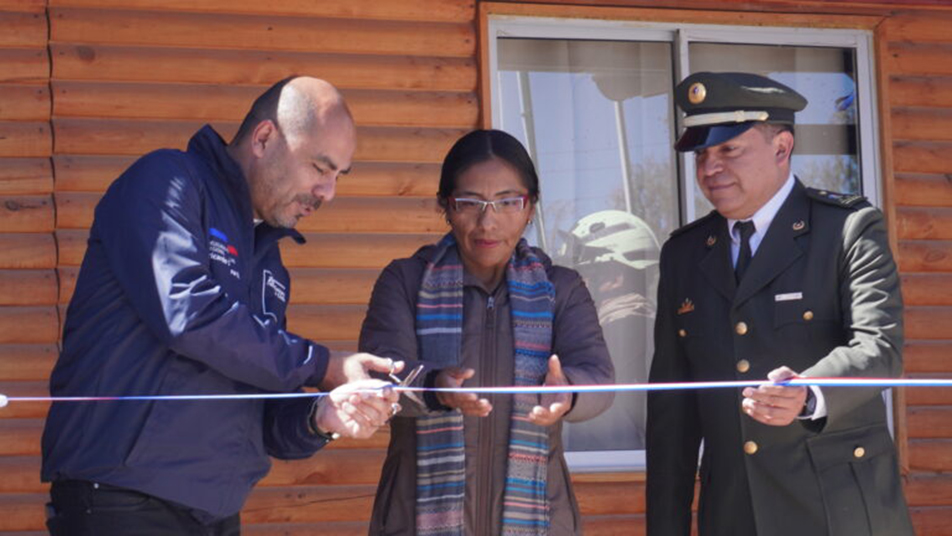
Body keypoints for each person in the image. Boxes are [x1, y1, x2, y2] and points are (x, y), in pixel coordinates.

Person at [41, 76, 402, 535]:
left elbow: (270, 413)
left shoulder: (269, 263)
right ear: (265, 137)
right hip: (120, 499)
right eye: (319, 167)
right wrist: (323, 364)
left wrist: (323, 416)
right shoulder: (169, 180)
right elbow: (186, 313)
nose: (327, 191)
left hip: (215, 513)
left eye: (337, 177)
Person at [646, 72, 914, 536]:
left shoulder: (846, 229)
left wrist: (809, 393)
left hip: (838, 510)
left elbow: (880, 348)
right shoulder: (685, 254)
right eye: (702, 155)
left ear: (781, 148)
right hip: (733, 512)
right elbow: (674, 415)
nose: (710, 168)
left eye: (729, 149)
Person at [359, 129, 615, 535]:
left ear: (529, 208)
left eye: (508, 202)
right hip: (414, 518)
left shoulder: (560, 289)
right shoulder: (405, 282)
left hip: (540, 518)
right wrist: (437, 388)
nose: (488, 221)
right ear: (445, 206)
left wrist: (568, 392)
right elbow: (378, 376)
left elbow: (598, 376)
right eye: (470, 203)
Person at [559, 210, 660, 451]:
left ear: (615, 278)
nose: (574, 285)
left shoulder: (619, 333)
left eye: (581, 273)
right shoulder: (652, 327)